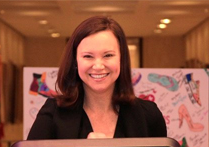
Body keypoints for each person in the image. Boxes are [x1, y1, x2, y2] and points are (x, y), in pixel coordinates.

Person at [27, 16, 167, 140]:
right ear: (75, 62)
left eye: (108, 55)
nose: (98, 66)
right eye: (88, 56)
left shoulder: (149, 115)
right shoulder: (52, 114)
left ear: (121, 59)